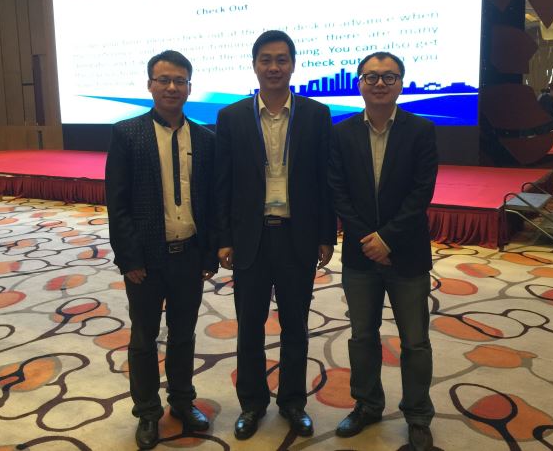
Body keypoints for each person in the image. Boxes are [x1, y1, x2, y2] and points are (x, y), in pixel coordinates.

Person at [215, 30, 337, 440]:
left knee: (295, 326)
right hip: (250, 238)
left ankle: (292, 402)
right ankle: (252, 404)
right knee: (249, 326)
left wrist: (326, 234)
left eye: (281, 59)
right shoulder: (232, 117)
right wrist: (224, 237)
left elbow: (324, 181)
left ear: (293, 65)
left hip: (296, 236)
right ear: (254, 65)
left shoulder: (316, 115)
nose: (273, 67)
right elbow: (223, 182)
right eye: (265, 59)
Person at [105, 50, 217, 450]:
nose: (172, 87)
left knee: (184, 335)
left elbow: (211, 202)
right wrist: (129, 258)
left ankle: (182, 402)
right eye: (164, 80)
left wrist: (208, 254)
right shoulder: (127, 133)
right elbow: (117, 203)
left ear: (190, 86)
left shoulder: (206, 138)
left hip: (190, 255)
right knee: (143, 338)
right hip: (145, 260)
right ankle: (148, 412)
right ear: (150, 84)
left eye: (180, 81)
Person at [328, 51, 438, 451]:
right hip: (360, 255)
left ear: (401, 83)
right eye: (371, 76)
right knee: (362, 336)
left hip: (407, 254)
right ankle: (367, 405)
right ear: (359, 83)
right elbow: (338, 191)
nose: (379, 83)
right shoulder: (341, 133)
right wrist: (369, 240)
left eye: (388, 77)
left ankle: (418, 416)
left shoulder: (421, 130)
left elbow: (421, 192)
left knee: (415, 341)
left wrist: (388, 239)